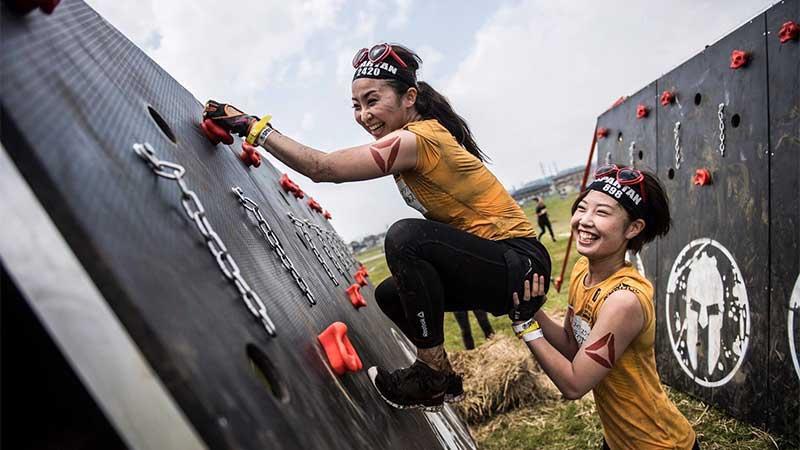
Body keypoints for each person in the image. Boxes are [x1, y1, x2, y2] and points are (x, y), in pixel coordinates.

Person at [201, 43, 551, 412]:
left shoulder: (416, 139)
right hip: (499, 265)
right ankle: (444, 378)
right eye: (356, 105)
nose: (365, 115)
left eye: (373, 100)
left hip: (519, 261)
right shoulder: (411, 140)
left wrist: (253, 128)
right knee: (390, 294)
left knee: (405, 238)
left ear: (409, 97)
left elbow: (324, 169)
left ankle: (429, 375)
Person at [510, 166, 699, 449]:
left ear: (633, 228)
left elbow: (574, 384)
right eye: (582, 208)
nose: (584, 221)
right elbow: (573, 348)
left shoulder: (624, 300)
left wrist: (525, 328)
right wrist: (531, 311)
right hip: (617, 441)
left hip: (658, 443)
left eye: (602, 213)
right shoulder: (581, 270)